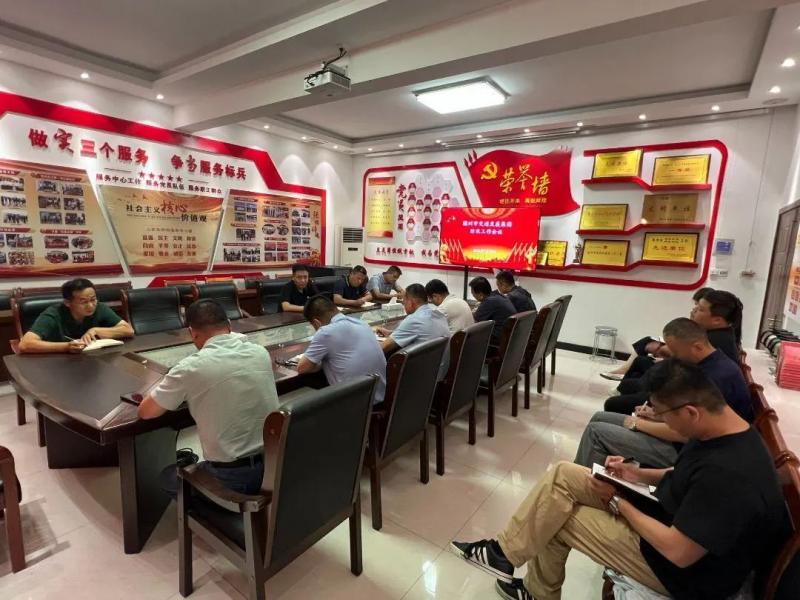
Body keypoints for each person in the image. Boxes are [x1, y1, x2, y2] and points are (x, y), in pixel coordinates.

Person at [451, 359, 788, 600]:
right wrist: (635, 473)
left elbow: (679, 551)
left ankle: (536, 592)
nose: (664, 425)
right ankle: (502, 553)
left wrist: (616, 501)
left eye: (664, 415)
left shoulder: (729, 474)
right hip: (669, 515)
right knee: (563, 474)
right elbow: (683, 474)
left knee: (557, 518)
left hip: (682, 573)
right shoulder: (723, 430)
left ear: (690, 412)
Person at [138, 299, 280, 496]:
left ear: (192, 332)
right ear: (229, 325)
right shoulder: (260, 352)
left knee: (169, 477)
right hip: (274, 465)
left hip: (232, 480)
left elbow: (146, 412)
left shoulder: (190, 368)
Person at [578, 317, 753, 469]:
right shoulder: (712, 363)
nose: (672, 357)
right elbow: (686, 417)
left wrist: (638, 423)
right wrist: (657, 414)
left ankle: (585, 486)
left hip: (684, 450)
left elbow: (685, 433)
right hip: (682, 438)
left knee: (596, 432)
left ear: (697, 347)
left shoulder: (715, 378)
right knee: (599, 417)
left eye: (675, 352)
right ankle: (592, 475)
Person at [599, 287, 712, 381]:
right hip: (681, 352)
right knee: (646, 342)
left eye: (699, 307)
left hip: (682, 361)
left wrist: (661, 349)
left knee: (644, 354)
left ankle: (625, 373)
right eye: (696, 305)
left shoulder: (708, 332)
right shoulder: (701, 323)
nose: (694, 308)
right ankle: (625, 373)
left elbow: (685, 346)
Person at [297, 294, 387, 404]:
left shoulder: (325, 332)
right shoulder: (362, 323)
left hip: (356, 406)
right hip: (382, 398)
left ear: (316, 322)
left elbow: (302, 368)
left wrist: (321, 363)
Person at [19, 278, 134, 353]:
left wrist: (96, 330)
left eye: (93, 299)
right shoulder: (53, 314)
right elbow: (25, 344)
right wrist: (66, 347)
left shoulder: (99, 307)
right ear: (67, 303)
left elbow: (128, 330)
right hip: (58, 364)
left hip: (92, 361)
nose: (90, 305)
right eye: (84, 302)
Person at [377, 283, 450, 379]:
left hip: (421, 377)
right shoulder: (439, 315)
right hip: (440, 371)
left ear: (411, 302)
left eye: (404, 302)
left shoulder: (414, 319)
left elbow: (383, 347)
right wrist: (391, 333)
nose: (403, 305)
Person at [690, 289, 743, 360]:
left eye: (700, 309)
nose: (694, 310)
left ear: (717, 320)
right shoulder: (724, 335)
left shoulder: (710, 342)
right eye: (696, 306)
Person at [469, 276, 516, 344]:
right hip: (509, 338)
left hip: (497, 341)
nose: (473, 296)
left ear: (480, 295)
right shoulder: (498, 296)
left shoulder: (489, 302)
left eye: (473, 294)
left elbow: (473, 322)